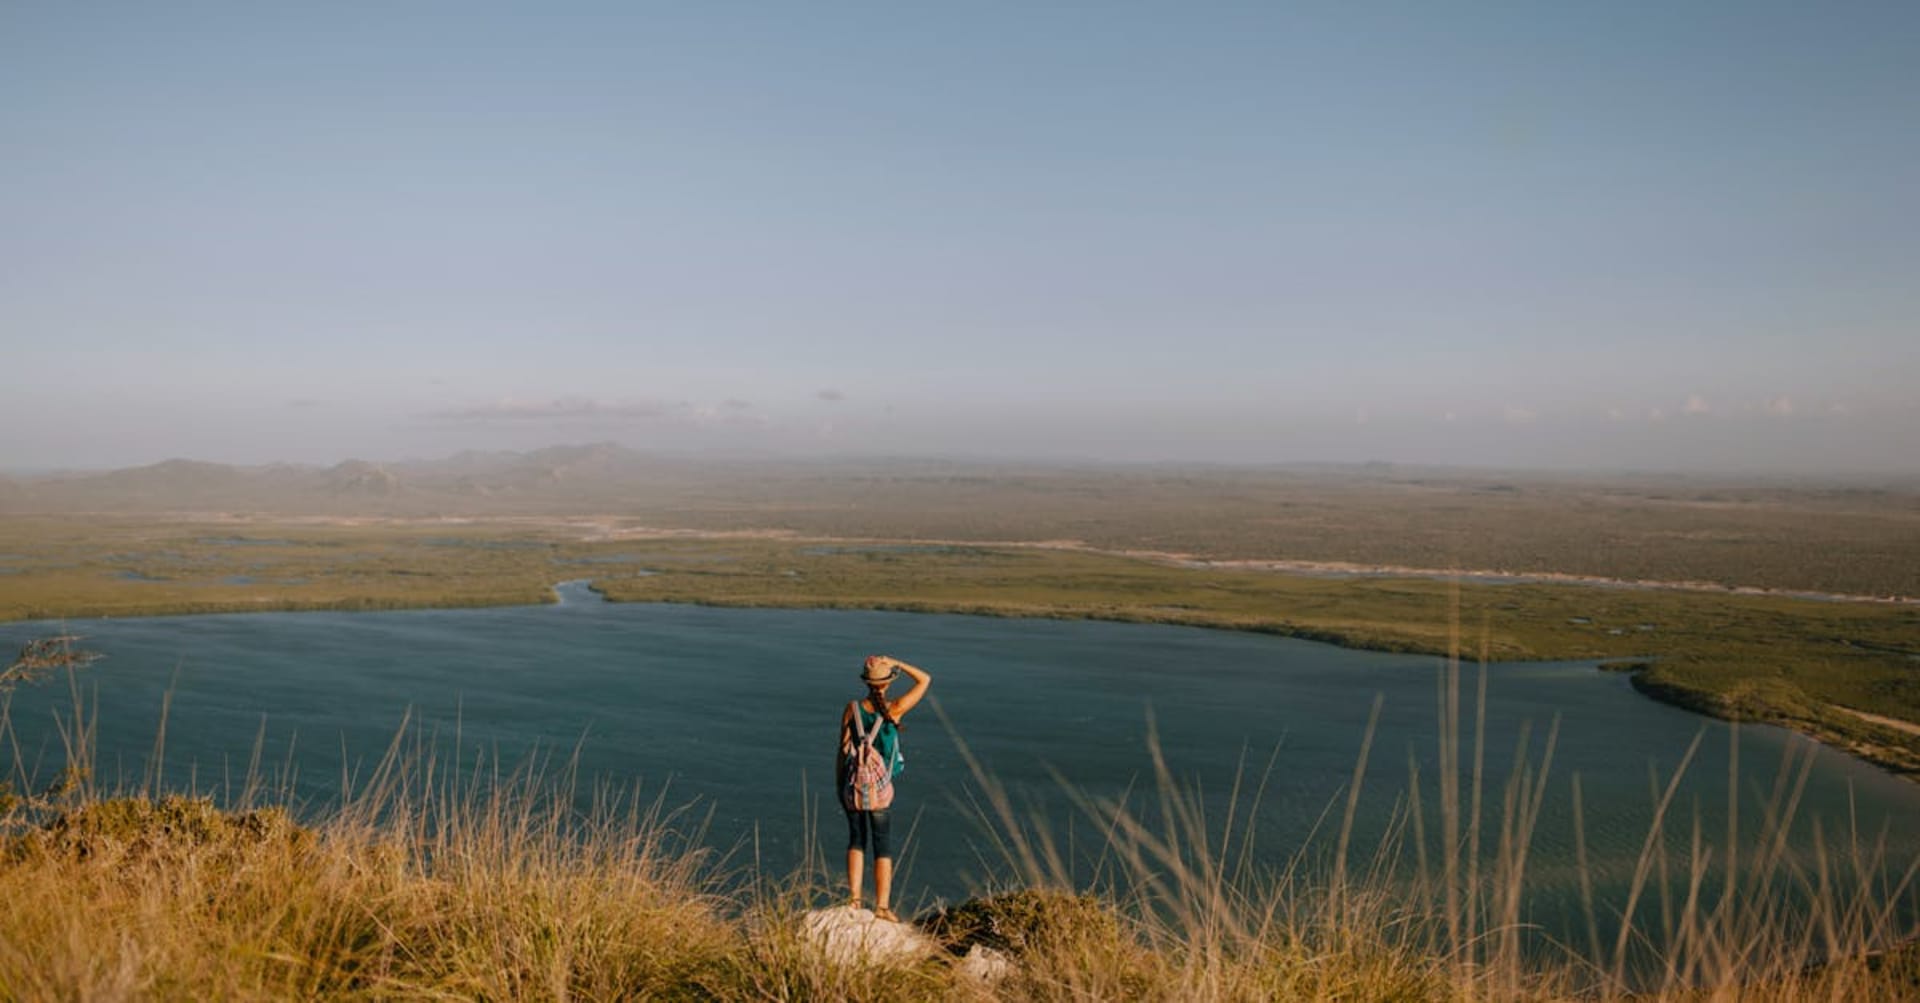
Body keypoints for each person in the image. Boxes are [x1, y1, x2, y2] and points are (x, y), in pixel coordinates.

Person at [839, 653, 932, 922]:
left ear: (866, 683)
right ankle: (881, 907)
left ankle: (854, 900)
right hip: (879, 790)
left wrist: (839, 785)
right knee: (882, 845)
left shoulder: (852, 708)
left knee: (856, 840)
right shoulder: (895, 708)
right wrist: (898, 662)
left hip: (853, 786)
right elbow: (925, 679)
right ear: (888, 682)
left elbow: (842, 749)